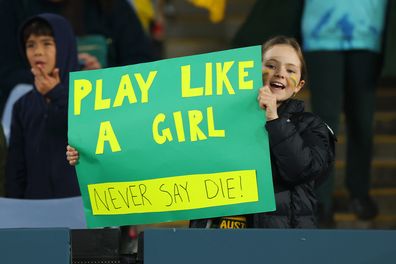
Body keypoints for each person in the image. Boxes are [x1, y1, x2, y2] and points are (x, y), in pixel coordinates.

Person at [67, 36, 336, 228]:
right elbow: (157, 149)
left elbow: (303, 171)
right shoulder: (217, 112)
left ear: (299, 84)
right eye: (271, 65)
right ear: (255, 69)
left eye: (290, 70)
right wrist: (91, 153)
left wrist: (274, 119)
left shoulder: (311, 126)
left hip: (279, 245)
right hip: (214, 238)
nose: (279, 73)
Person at [301, 0, 389, 225]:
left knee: (362, 118)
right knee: (324, 122)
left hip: (369, 29)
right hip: (320, 31)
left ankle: (359, 192)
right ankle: (321, 201)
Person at [0, 0, 156, 115]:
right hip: (38, 113)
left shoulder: (110, 6)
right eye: (32, 45)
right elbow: (6, 71)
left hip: (107, 111)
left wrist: (103, 78)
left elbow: (141, 62)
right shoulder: (12, 7)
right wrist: (60, 78)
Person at [5, 13, 80, 199]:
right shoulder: (22, 105)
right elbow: (16, 169)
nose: (38, 52)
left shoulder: (86, 96)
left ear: (64, 47)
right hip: (36, 211)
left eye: (47, 43)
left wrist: (57, 93)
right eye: (31, 45)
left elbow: (89, 136)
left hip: (80, 208)